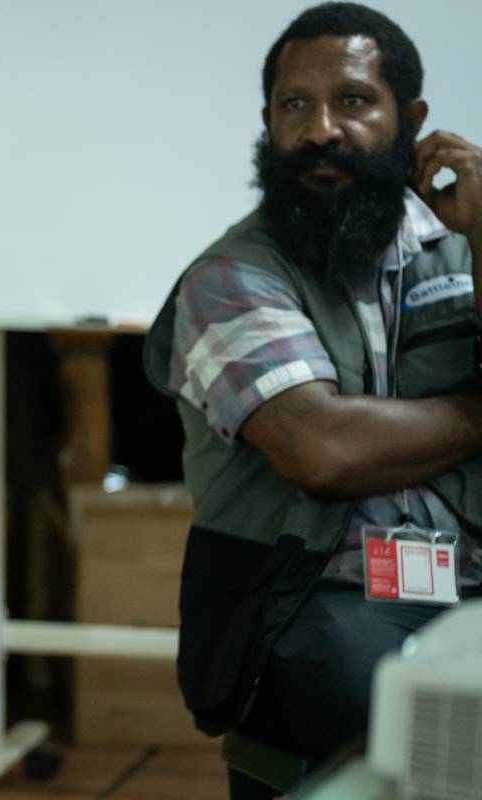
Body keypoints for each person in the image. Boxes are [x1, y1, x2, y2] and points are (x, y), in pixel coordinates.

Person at [144, 2, 482, 764]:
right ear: (269, 123)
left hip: (470, 585)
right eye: (295, 105)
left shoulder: (464, 243)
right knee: (418, 727)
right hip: (307, 601)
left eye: (354, 101)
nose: (322, 129)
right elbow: (321, 449)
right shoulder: (229, 276)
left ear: (413, 117)